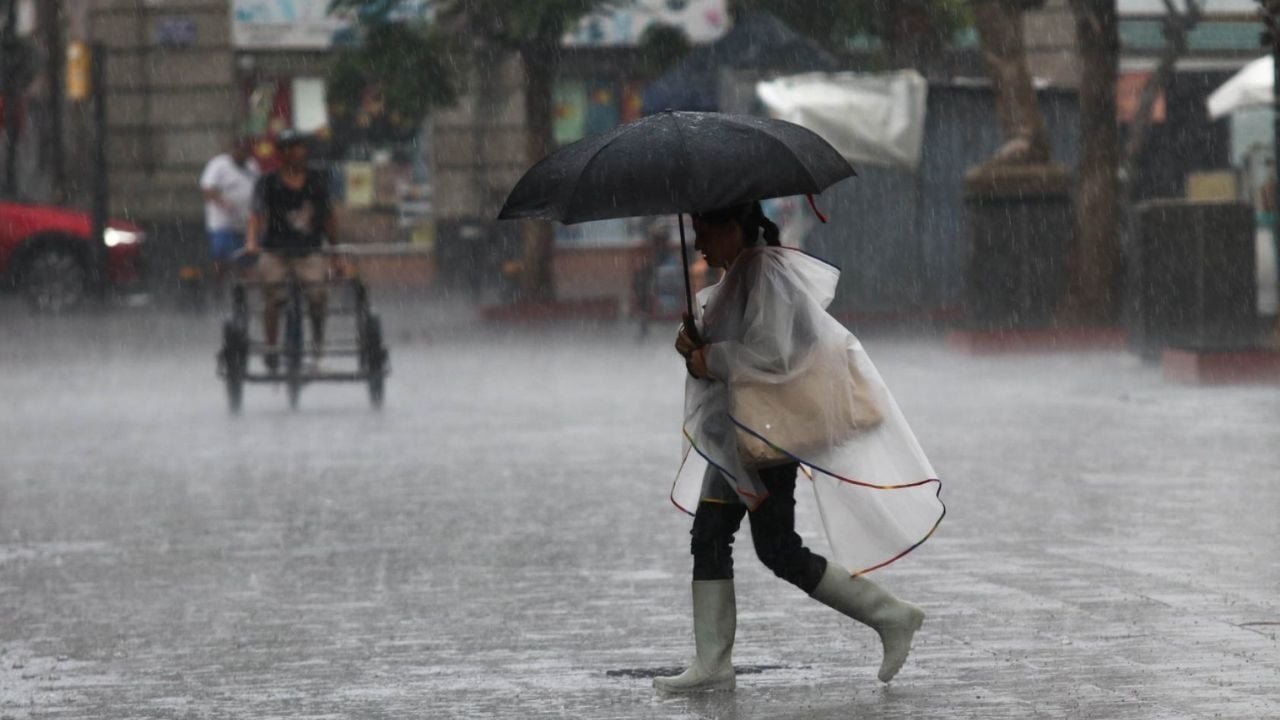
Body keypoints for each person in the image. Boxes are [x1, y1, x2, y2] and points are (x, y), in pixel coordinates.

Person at [655, 201, 945, 693]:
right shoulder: (742, 274)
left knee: (775, 549)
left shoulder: (766, 273)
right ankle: (713, 661)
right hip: (739, 431)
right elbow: (738, 347)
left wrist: (711, 357)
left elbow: (773, 352)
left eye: (704, 230)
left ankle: (891, 616)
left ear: (732, 227)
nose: (699, 243)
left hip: (766, 432)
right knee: (714, 535)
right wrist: (695, 346)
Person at [244, 131, 339, 372]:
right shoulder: (267, 183)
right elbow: (256, 216)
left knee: (318, 297)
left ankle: (318, 348)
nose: (301, 152)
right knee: (273, 298)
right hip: (275, 251)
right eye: (295, 148)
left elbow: (329, 218)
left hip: (309, 251)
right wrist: (251, 242)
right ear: (283, 153)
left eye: (302, 147)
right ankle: (272, 347)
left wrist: (336, 253)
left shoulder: (317, 180)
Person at [200, 137, 260, 296]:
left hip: (245, 222)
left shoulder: (252, 166)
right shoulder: (218, 165)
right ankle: (217, 286)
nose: (243, 154)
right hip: (222, 222)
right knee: (222, 254)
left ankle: (243, 291)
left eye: (246, 151)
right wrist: (222, 203)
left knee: (247, 258)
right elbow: (207, 188)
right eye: (240, 150)